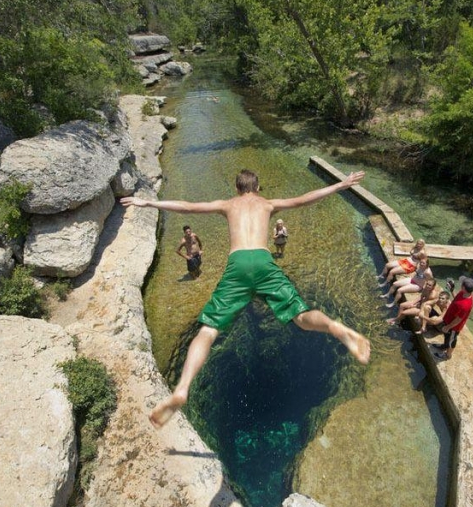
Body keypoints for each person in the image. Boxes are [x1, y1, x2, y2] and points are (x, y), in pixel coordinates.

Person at [121, 169, 371, 429]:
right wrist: (340, 185)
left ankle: (182, 388)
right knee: (300, 315)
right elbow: (305, 198)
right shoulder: (267, 204)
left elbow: (188, 207)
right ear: (258, 187)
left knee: (208, 330)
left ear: (237, 188)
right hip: (263, 261)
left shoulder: (228, 204)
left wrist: (149, 202)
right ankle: (335, 327)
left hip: (238, 264)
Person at [433, 277, 473, 360]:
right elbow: (457, 299)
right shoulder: (464, 293)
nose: (460, 285)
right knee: (447, 336)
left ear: (463, 287)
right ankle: (445, 346)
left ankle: (447, 355)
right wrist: (452, 290)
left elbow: (458, 319)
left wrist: (448, 327)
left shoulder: (466, 305)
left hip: (453, 327)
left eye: (462, 284)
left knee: (452, 340)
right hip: (449, 319)